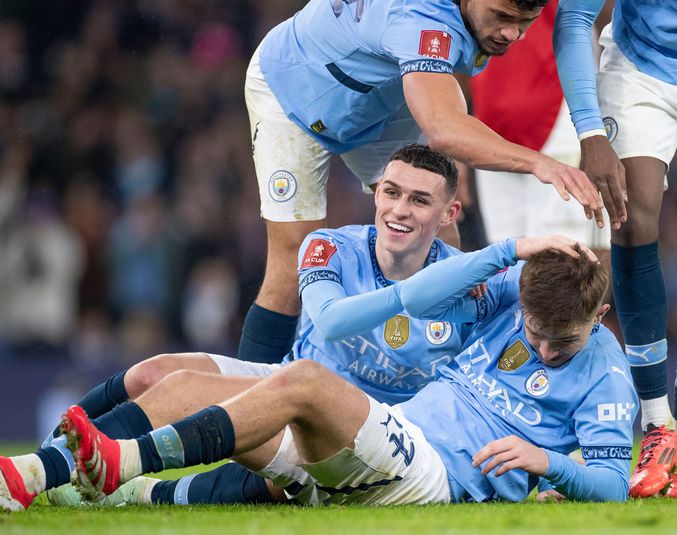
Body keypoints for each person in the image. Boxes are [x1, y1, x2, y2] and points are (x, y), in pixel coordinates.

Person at [0, 144, 477, 510]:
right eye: (391, 193)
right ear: (376, 193)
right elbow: (330, 322)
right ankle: (49, 459)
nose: (399, 210)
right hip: (291, 383)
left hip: (362, 433)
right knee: (160, 374)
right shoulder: (330, 246)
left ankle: (80, 480)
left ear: (448, 214)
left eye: (419, 200)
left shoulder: (476, 291)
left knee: (277, 467)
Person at [0, 237, 635, 511]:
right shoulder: (508, 299)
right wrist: (511, 249)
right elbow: (419, 295)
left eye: (565, 343)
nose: (547, 352)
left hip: (432, 474)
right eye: (536, 333)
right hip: (385, 438)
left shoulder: (606, 372)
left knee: (302, 380)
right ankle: (33, 474)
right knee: (183, 386)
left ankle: (123, 463)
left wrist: (544, 462)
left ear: (601, 315)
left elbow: (612, 487)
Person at [238, 0, 611, 366]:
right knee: (291, 262)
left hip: (380, 94)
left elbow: (447, 102)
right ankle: (252, 402)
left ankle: (453, 385)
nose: (513, 33)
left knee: (440, 232)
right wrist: (539, 163)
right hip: (296, 92)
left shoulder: (464, 17)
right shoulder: (421, 16)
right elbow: (445, 130)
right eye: (502, 17)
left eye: (525, 21)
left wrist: (461, 148)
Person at [555, 0, 677, 499]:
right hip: (640, 69)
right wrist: (590, 131)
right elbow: (575, 17)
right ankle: (656, 427)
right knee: (631, 215)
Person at [471, 0, 610, 255]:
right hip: (489, 119)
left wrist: (602, 126)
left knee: (570, 255)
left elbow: (612, 21)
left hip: (563, 114)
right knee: (504, 257)